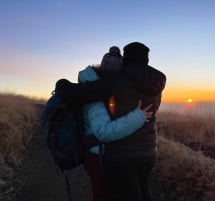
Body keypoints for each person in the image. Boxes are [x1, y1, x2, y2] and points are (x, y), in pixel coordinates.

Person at [55, 42, 166, 201]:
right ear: (146, 59)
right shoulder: (156, 83)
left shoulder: (116, 81)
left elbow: (80, 93)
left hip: (123, 153)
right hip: (149, 150)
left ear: (126, 59)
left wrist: (62, 85)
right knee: (143, 189)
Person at [78, 47, 153, 201]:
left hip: (107, 153)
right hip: (97, 154)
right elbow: (103, 131)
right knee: (103, 195)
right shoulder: (96, 94)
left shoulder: (102, 89)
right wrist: (138, 117)